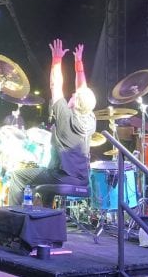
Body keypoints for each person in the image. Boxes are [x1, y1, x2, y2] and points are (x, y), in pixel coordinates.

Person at [8, 40, 96, 206]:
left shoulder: (66, 117)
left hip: (63, 177)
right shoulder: (90, 119)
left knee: (18, 176)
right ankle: (46, 214)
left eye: (74, 96)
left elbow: (55, 85)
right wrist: (78, 64)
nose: (72, 95)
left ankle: (14, 216)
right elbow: (82, 90)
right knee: (48, 174)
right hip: (83, 178)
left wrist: (56, 59)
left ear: (75, 102)